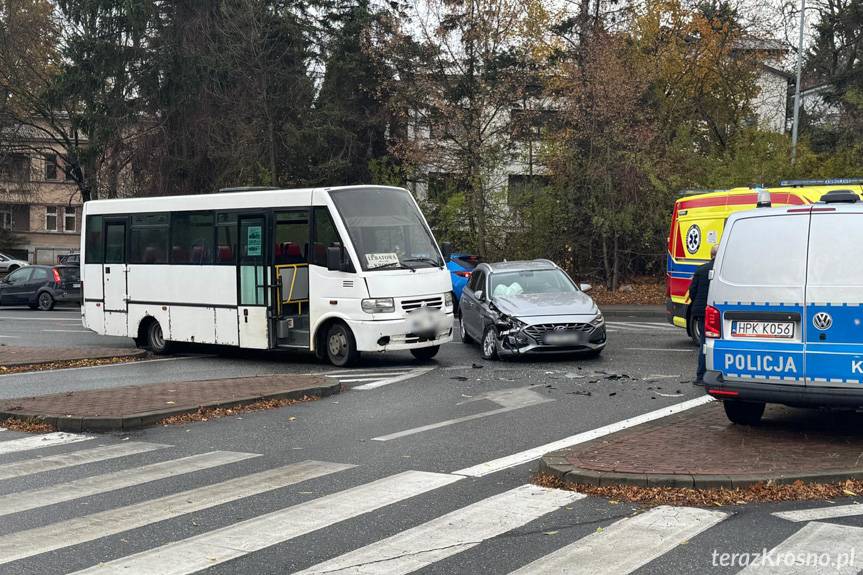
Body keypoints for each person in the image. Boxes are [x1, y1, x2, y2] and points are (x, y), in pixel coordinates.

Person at [689, 244, 718, 385]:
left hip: (701, 311)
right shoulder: (722, 270)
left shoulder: (701, 269)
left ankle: (700, 376)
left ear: (710, 254)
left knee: (704, 344)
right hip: (717, 312)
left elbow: (692, 291)